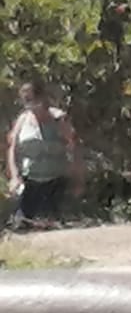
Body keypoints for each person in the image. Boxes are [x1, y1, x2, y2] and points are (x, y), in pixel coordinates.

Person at [6, 81, 85, 228]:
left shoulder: (59, 119)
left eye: (32, 100)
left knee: (54, 223)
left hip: (56, 182)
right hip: (31, 181)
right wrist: (14, 176)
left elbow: (74, 147)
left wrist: (77, 178)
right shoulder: (23, 120)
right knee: (21, 224)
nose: (30, 105)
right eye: (26, 101)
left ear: (42, 98)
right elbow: (12, 148)